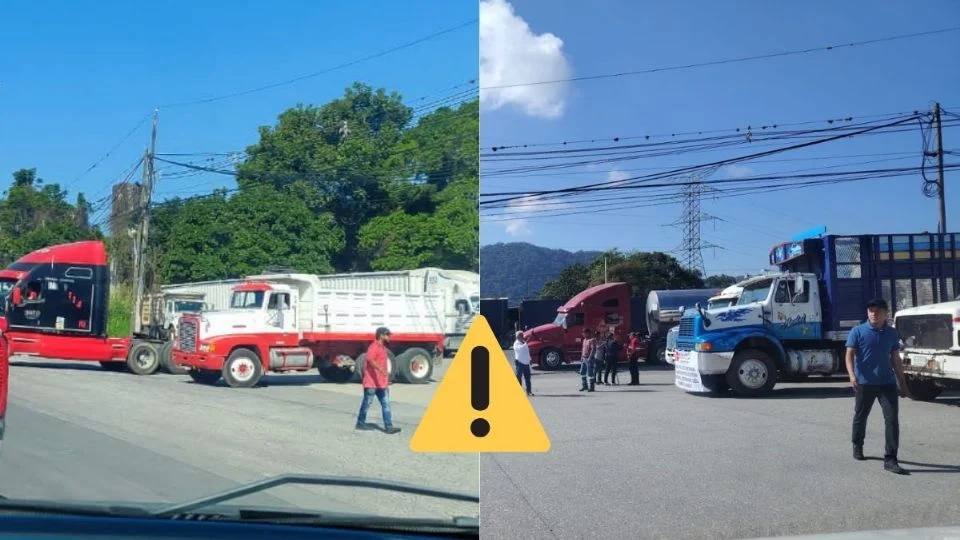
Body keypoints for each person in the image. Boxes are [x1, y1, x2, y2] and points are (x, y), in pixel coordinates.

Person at [845, 298, 908, 474]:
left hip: (887, 383)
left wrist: (902, 383)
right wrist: (851, 375)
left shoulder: (891, 333)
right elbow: (849, 356)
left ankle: (891, 459)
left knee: (892, 420)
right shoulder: (858, 331)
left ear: (885, 312)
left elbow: (895, 358)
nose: (873, 313)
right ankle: (857, 445)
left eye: (877, 311)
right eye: (870, 310)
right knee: (860, 416)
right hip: (865, 383)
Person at [355, 327, 401, 434]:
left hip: (381, 383)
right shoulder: (373, 346)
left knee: (386, 404)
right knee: (367, 403)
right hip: (371, 383)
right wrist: (381, 369)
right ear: (381, 335)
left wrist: (385, 378)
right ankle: (360, 423)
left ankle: (388, 426)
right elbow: (370, 360)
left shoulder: (383, 348)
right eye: (387, 335)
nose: (389, 337)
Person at [513, 331, 533, 396]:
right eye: (521, 335)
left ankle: (529, 391)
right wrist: (525, 343)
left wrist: (530, 359)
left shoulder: (524, 342)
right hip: (520, 363)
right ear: (517, 337)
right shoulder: (516, 343)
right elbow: (519, 349)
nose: (522, 337)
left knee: (528, 378)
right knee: (519, 378)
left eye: (522, 335)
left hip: (526, 363)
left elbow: (527, 352)